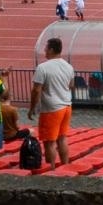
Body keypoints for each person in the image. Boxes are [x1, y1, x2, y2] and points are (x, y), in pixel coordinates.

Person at [28, 36, 74, 167]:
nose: (44, 50)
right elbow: (71, 85)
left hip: (51, 109)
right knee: (62, 138)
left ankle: (52, 169)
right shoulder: (68, 66)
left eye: (46, 48)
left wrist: (32, 108)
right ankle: (65, 166)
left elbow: (36, 90)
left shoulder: (43, 68)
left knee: (49, 141)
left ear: (52, 50)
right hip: (66, 106)